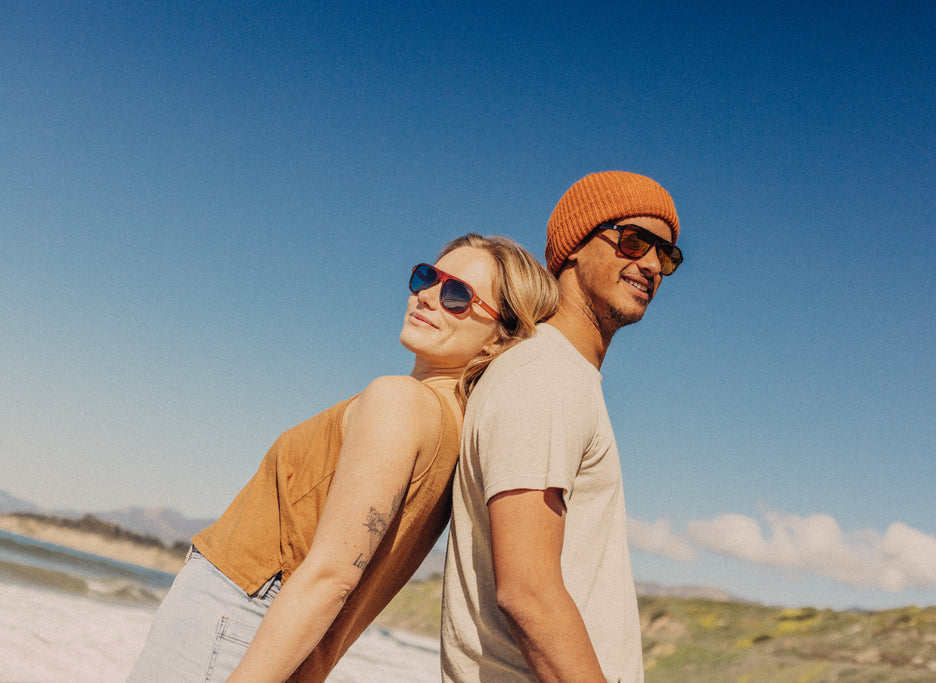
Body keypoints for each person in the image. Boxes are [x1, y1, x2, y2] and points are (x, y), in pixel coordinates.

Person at [128, 233, 559, 683]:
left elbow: (332, 576)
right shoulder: (457, 435)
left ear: (499, 336)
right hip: (262, 642)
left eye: (457, 296)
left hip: (234, 623)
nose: (428, 297)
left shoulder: (399, 402)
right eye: (427, 278)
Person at [441, 171, 683, 682]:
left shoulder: (560, 374)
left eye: (664, 255)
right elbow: (527, 591)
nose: (649, 265)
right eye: (632, 240)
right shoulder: (545, 376)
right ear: (574, 245)